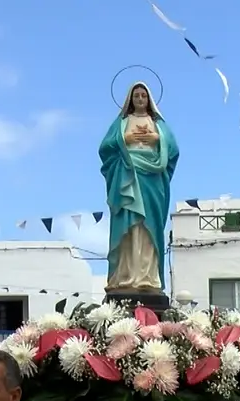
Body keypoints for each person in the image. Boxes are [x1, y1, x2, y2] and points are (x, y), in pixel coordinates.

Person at [99, 81, 179, 296]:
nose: (140, 99)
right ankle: (124, 276)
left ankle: (147, 277)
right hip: (127, 175)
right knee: (129, 226)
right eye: (137, 96)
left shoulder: (159, 125)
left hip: (152, 179)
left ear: (149, 99)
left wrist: (157, 138)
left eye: (144, 96)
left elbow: (173, 150)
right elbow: (104, 148)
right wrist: (124, 138)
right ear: (131, 99)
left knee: (148, 226)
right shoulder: (122, 122)